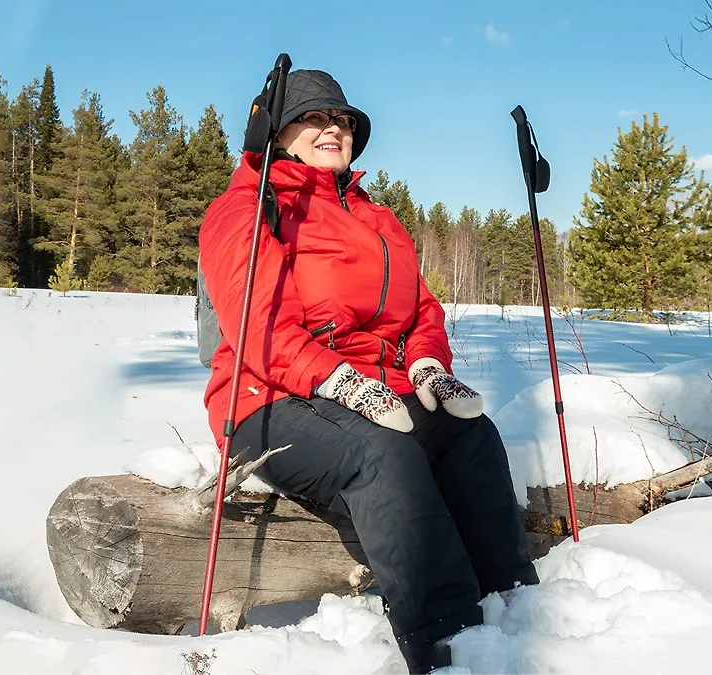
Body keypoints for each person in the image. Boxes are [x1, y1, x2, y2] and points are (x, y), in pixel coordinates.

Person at [197, 68, 539, 673]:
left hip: (376, 394)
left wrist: (427, 364)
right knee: (381, 451)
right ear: (276, 132)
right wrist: (338, 380)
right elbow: (260, 327)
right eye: (314, 117)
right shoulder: (247, 210)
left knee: (470, 434)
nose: (333, 128)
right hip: (269, 400)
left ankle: (518, 611)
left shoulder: (378, 219)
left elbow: (422, 308)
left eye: (343, 119)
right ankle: (450, 646)